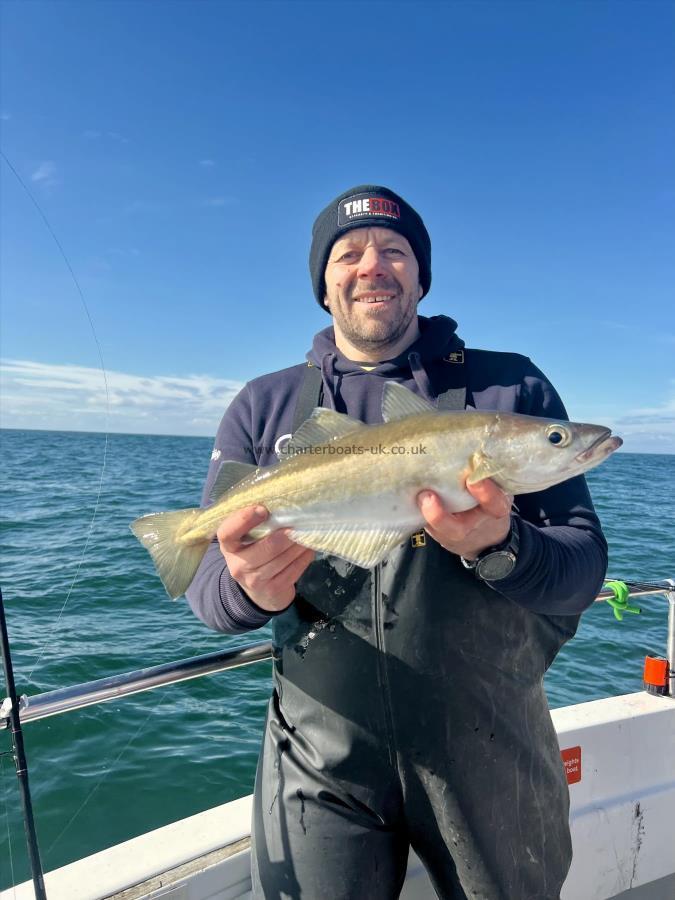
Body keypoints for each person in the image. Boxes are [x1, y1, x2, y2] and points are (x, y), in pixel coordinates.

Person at [187, 185, 608, 900]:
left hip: (493, 747)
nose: (370, 265)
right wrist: (246, 587)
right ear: (323, 283)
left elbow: (580, 570)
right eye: (347, 254)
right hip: (320, 759)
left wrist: (502, 543)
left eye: (394, 250)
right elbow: (205, 591)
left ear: (419, 274)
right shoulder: (262, 406)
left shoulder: (511, 388)